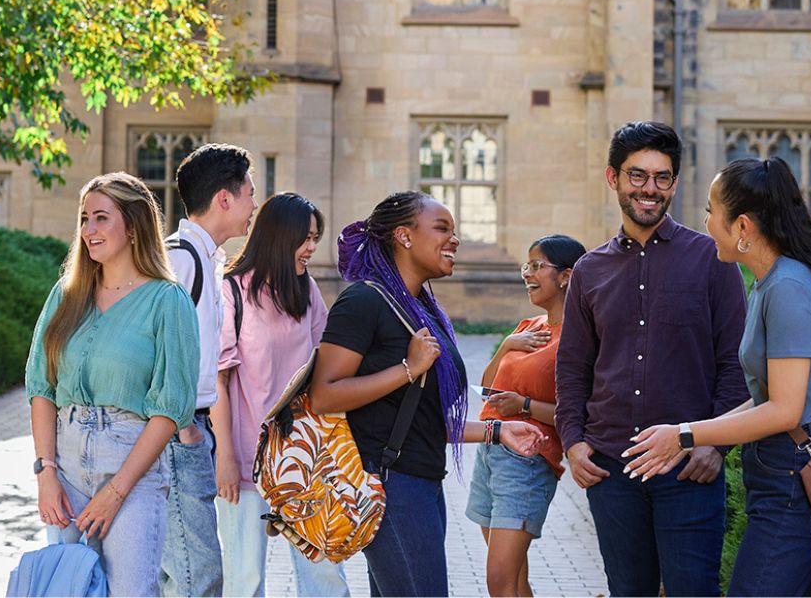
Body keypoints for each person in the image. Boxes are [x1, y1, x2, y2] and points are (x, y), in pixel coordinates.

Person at [623, 157, 811, 597]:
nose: (704, 221)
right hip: (782, 473)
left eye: (710, 210)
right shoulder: (769, 283)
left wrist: (685, 434)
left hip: (793, 476)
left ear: (742, 226)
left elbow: (785, 409)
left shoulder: (788, 288)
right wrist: (699, 435)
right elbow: (767, 396)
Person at [309, 190, 546, 597]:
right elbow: (324, 395)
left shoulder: (421, 308)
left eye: (454, 230)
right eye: (442, 228)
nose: (454, 239)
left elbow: (422, 418)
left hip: (421, 485)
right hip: (390, 488)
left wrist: (496, 432)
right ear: (403, 236)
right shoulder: (363, 300)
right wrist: (408, 368)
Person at [555, 121, 750, 597]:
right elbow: (574, 366)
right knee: (629, 591)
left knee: (693, 591)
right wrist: (574, 443)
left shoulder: (711, 259)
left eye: (662, 177)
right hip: (612, 469)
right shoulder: (588, 270)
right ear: (613, 179)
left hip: (688, 464)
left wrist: (714, 446)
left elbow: (736, 362)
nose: (650, 189)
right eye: (637, 176)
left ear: (675, 183)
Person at [26, 172, 200, 597]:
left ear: (134, 224)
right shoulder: (66, 296)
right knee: (67, 590)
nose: (89, 231)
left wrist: (116, 491)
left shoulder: (167, 301)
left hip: (132, 466)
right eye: (85, 219)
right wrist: (45, 473)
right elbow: (41, 388)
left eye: (101, 218)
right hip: (65, 468)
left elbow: (170, 408)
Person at [211, 192, 349, 598]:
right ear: (278, 235)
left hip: (306, 458)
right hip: (245, 459)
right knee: (245, 581)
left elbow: (328, 366)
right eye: (305, 238)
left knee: (325, 577)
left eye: (314, 238)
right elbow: (218, 379)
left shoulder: (307, 293)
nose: (311, 248)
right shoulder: (231, 290)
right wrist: (225, 458)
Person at [160, 143, 257, 598]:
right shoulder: (181, 259)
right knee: (198, 578)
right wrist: (184, 430)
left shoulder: (205, 259)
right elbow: (157, 354)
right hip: (179, 437)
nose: (254, 205)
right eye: (250, 194)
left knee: (184, 575)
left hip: (191, 431)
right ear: (224, 198)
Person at [467, 233, 586, 597]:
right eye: (526, 265)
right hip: (490, 453)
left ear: (566, 276)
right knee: (515, 580)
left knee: (499, 580)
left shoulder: (580, 338)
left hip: (528, 462)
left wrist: (523, 406)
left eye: (537, 266)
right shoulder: (527, 328)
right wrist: (506, 346)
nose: (527, 274)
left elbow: (579, 412)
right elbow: (487, 387)